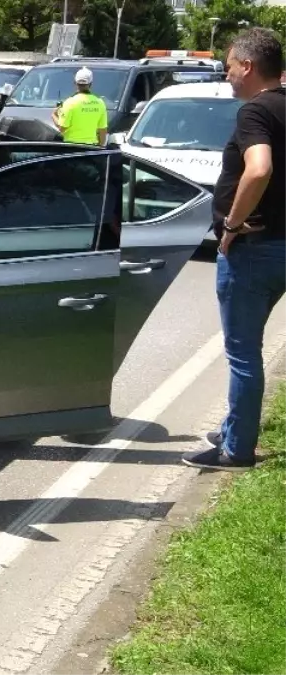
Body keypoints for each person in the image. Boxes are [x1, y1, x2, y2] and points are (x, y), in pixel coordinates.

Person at [182, 28, 286, 472]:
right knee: (248, 349)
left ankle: (236, 449)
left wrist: (231, 224)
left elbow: (258, 169)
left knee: (243, 352)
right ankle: (233, 427)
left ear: (247, 66)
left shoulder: (255, 112)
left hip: (255, 249)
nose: (227, 76)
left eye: (228, 67)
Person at [52, 68, 108, 146]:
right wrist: (100, 148)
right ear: (91, 84)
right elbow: (103, 130)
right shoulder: (100, 103)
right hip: (91, 148)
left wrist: (54, 115)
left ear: (75, 83)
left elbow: (62, 128)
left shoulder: (70, 102)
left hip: (72, 147)